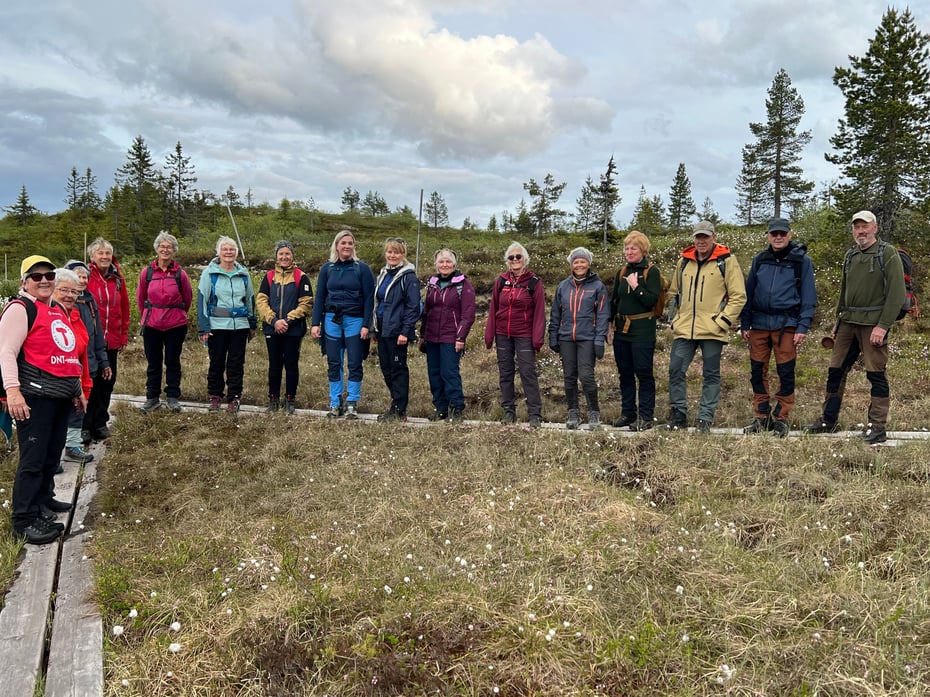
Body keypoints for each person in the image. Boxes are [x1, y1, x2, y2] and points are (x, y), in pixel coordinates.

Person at [0, 256, 85, 544]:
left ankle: (44, 500)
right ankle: (23, 519)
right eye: (36, 277)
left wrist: (77, 391)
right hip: (35, 396)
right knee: (33, 460)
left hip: (60, 396)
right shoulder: (20, 309)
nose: (44, 280)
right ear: (25, 282)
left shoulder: (55, 311)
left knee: (51, 454)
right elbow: (6, 352)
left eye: (49, 275)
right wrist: (12, 391)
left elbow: (65, 356)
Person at [803, 210, 906, 445]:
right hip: (848, 323)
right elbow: (844, 292)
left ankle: (877, 427)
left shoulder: (887, 254)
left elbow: (896, 294)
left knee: (875, 374)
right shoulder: (851, 255)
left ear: (875, 228)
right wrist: (837, 322)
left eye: (864, 227)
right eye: (856, 227)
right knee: (835, 371)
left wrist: (883, 326)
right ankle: (828, 421)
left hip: (873, 325)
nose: (860, 231)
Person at [665, 220, 746, 432]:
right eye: (698, 237)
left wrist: (723, 321)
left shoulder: (726, 261)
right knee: (675, 370)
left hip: (712, 330)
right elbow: (674, 292)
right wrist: (674, 318)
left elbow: (738, 296)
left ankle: (705, 419)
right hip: (684, 329)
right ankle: (678, 416)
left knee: (711, 375)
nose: (701, 241)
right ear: (694, 238)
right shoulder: (683, 261)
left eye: (705, 237)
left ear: (714, 237)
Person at [740, 218, 817, 438]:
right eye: (774, 234)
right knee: (757, 372)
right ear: (768, 236)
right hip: (759, 325)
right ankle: (761, 417)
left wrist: (803, 326)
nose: (778, 237)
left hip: (787, 325)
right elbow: (748, 292)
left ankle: (781, 418)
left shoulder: (801, 261)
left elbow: (809, 297)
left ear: (790, 235)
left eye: (782, 233)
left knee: (786, 373)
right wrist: (745, 323)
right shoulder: (760, 260)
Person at [310, 230, 375, 419]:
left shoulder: (362, 268)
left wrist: (366, 324)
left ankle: (352, 403)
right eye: (343, 243)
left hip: (355, 321)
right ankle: (335, 402)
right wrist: (315, 323)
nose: (347, 246)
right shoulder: (327, 269)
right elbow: (320, 297)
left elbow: (369, 299)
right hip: (332, 320)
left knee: (354, 362)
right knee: (334, 362)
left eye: (350, 243)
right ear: (336, 245)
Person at [484, 241, 545, 428]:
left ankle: (534, 414)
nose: (515, 259)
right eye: (511, 257)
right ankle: (508, 410)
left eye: (518, 256)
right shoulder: (501, 281)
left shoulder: (534, 282)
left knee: (527, 373)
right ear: (507, 261)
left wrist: (537, 339)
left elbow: (540, 313)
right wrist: (489, 335)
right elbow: (493, 307)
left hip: (524, 334)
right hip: (503, 333)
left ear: (525, 259)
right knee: (505, 373)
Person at [549, 247, 610, 430]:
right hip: (566, 337)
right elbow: (555, 314)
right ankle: (573, 412)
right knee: (569, 377)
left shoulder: (598, 286)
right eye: (576, 262)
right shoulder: (563, 286)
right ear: (571, 264)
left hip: (587, 339)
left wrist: (600, 339)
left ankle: (594, 412)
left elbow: (602, 315)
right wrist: (553, 335)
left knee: (586, 376)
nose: (579, 265)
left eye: (582, 261)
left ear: (588, 263)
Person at [608, 231, 663, 431]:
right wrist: (608, 324)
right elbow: (614, 300)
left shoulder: (652, 272)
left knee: (644, 373)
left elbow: (651, 300)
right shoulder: (621, 272)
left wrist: (636, 286)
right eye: (627, 248)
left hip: (642, 332)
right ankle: (628, 413)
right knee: (625, 373)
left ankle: (646, 416)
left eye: (634, 248)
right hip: (621, 331)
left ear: (643, 250)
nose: (629, 252)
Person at [196, 236, 257, 413]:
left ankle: (234, 397)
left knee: (236, 363)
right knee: (217, 362)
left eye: (232, 249)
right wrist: (204, 327)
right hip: (217, 326)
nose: (228, 252)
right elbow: (202, 301)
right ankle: (215, 395)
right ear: (219, 252)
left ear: (236, 252)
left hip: (240, 326)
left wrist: (252, 324)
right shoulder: (209, 273)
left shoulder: (243, 273)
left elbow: (250, 300)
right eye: (225, 249)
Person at [137, 231, 193, 414]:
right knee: (153, 362)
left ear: (174, 250)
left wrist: (176, 315)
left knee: (172, 361)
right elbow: (140, 298)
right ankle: (152, 397)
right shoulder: (147, 272)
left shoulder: (180, 274)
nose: (165, 250)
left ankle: (172, 397)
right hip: (151, 324)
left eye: (169, 247)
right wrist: (148, 316)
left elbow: (187, 298)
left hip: (175, 324)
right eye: (162, 246)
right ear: (157, 249)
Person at [256, 240, 313, 414]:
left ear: (292, 256)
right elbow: (261, 301)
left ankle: (290, 399)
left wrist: (287, 321)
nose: (284, 257)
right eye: (281, 254)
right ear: (276, 256)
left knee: (291, 364)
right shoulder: (268, 276)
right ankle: (273, 399)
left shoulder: (300, 277)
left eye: (287, 253)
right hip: (272, 328)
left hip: (293, 329)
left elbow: (306, 303)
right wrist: (274, 321)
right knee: (274, 364)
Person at [420, 249, 476, 422]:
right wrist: (423, 335)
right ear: (436, 264)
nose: (444, 265)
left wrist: (460, 337)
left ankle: (456, 408)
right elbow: (426, 311)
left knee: (449, 372)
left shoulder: (463, 284)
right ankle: (441, 408)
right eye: (441, 262)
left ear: (454, 264)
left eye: (448, 261)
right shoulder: (432, 282)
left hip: (451, 337)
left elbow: (468, 314)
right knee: (434, 373)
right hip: (431, 337)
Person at [62, 260, 109, 463]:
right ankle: (68, 445)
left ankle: (76, 442)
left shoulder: (90, 302)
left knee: (84, 402)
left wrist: (103, 361)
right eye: (77, 276)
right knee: (71, 405)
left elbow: (97, 335)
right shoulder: (61, 304)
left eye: (84, 277)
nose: (82, 280)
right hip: (68, 363)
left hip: (89, 362)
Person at [84, 237, 129, 441]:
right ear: (92, 256)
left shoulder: (117, 278)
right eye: (100, 253)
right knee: (89, 382)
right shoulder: (85, 276)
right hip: (89, 342)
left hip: (111, 339)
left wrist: (123, 335)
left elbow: (124, 307)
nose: (104, 256)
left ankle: (100, 422)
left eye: (108, 253)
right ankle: (84, 425)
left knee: (107, 382)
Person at [372, 237, 421, 422]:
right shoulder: (384, 274)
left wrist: (405, 331)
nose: (393, 255)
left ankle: (399, 410)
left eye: (397, 252)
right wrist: (375, 329)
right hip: (383, 328)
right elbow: (378, 301)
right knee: (386, 368)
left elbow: (413, 306)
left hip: (397, 331)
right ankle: (395, 404)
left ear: (403, 254)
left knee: (398, 369)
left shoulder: (409, 277)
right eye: (390, 252)